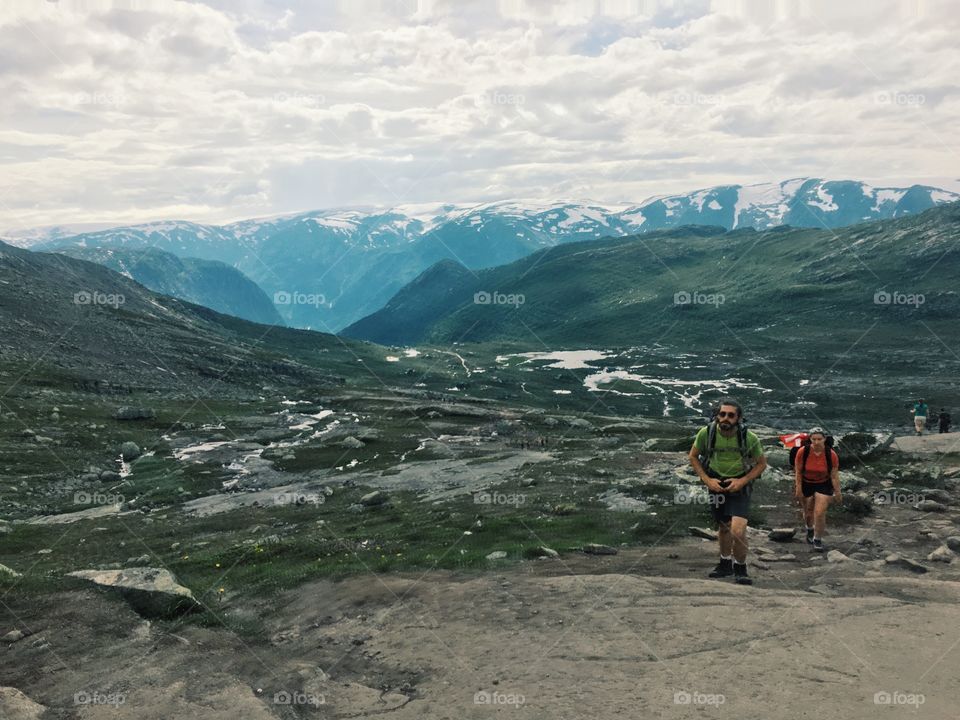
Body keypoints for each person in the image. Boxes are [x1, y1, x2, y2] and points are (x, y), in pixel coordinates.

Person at [689, 398, 767, 585]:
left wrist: (742, 481)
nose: (725, 418)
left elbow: (761, 464)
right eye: (722, 414)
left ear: (739, 418)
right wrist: (708, 481)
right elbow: (693, 457)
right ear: (716, 416)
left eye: (731, 415)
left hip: (740, 485)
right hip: (716, 483)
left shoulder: (749, 438)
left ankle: (740, 568)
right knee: (723, 528)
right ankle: (725, 564)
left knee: (738, 530)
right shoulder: (706, 433)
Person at [793, 428, 841, 552]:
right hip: (806, 482)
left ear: (824, 439)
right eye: (813, 439)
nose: (816, 442)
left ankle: (817, 539)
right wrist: (798, 489)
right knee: (808, 511)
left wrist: (838, 492)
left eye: (819, 439)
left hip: (823, 483)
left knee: (819, 512)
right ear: (810, 439)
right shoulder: (803, 452)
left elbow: (834, 475)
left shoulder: (831, 455)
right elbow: (798, 471)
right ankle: (809, 529)